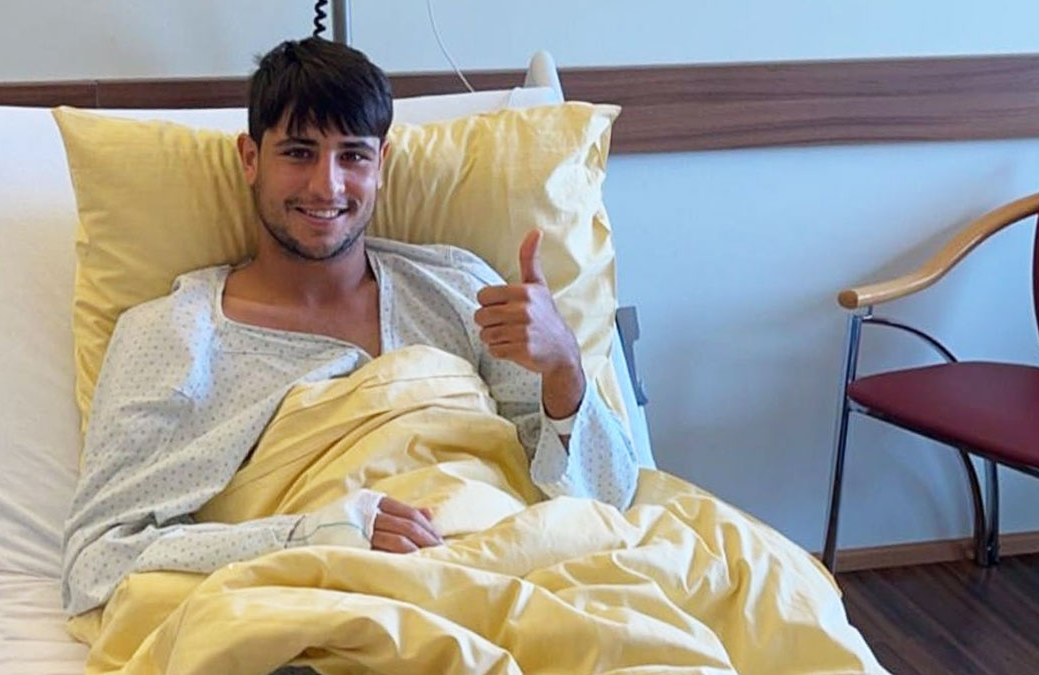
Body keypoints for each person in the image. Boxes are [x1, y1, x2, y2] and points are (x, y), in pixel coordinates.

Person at [61, 37, 637, 617]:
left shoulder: (460, 291)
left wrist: (564, 368)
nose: (327, 186)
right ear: (250, 159)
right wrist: (315, 536)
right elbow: (98, 560)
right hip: (326, 610)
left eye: (353, 156)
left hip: (516, 578)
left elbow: (608, 498)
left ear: (381, 164)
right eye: (298, 153)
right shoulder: (175, 338)